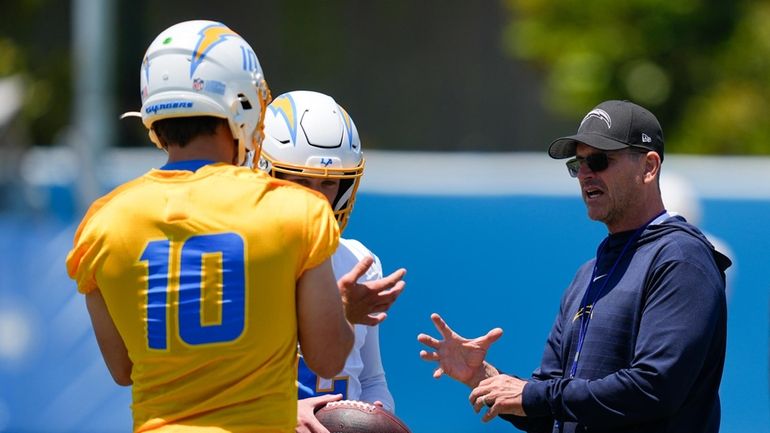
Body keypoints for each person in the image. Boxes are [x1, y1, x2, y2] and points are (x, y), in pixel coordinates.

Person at [66, 20, 402, 433]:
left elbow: (123, 368)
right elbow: (329, 360)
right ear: (243, 104)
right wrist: (341, 312)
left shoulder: (102, 222)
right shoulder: (293, 211)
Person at [418, 100, 731, 433]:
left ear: (649, 167)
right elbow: (551, 407)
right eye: (577, 164)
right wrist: (486, 379)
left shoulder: (681, 258)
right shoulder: (589, 273)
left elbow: (653, 388)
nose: (585, 174)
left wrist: (536, 395)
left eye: (599, 160)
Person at [258, 90, 399, 433]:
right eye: (301, 181)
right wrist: (282, 412)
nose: (317, 197)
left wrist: (378, 411)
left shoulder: (358, 260)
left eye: (329, 183)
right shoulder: (244, 260)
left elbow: (369, 377)